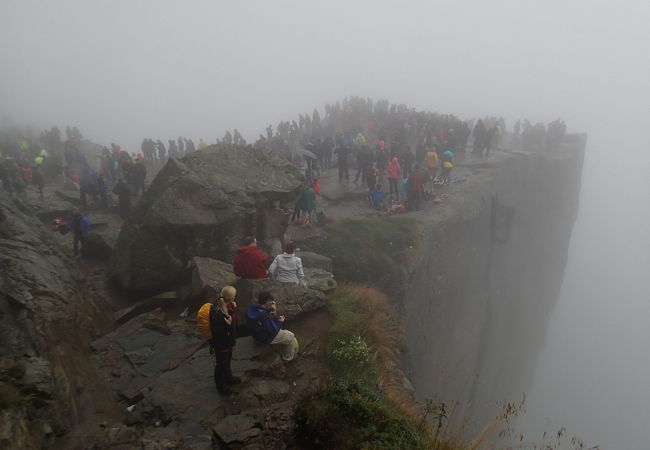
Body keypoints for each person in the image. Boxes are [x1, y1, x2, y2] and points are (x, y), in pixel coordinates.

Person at [246, 291, 299, 361]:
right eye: (270, 301)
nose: (272, 302)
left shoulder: (252, 306)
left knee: (282, 332)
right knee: (291, 336)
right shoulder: (264, 317)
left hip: (256, 333)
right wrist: (280, 322)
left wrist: (270, 309)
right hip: (266, 337)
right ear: (267, 302)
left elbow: (263, 310)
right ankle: (287, 357)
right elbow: (274, 331)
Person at [210, 286, 241, 395]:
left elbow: (233, 319)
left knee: (227, 361)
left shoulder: (229, 306)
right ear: (231, 298)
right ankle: (221, 387)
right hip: (221, 344)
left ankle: (229, 378)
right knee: (221, 364)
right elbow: (218, 332)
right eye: (235, 295)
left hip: (228, 343)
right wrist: (227, 326)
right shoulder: (219, 313)